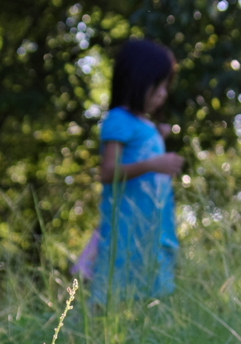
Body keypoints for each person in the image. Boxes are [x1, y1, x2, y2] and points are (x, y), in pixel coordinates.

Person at [75, 39, 184, 305]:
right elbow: (108, 172)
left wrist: (156, 135)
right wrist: (153, 164)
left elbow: (139, 147)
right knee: (115, 292)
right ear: (137, 80)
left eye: (166, 87)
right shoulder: (119, 119)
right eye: (158, 86)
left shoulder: (142, 124)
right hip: (127, 228)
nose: (163, 94)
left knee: (151, 293)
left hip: (151, 226)